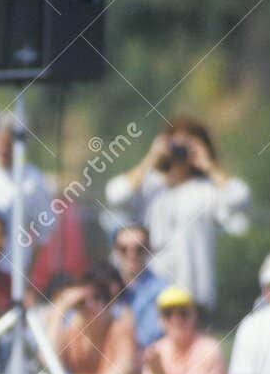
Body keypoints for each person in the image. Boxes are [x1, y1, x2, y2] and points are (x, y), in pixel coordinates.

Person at [106, 116, 248, 313]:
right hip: (149, 293)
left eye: (188, 146)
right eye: (175, 144)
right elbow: (116, 195)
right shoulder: (150, 186)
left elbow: (240, 198)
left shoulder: (206, 191)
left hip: (193, 294)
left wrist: (209, 165)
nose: (180, 152)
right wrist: (151, 158)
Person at [0, 118, 54, 249]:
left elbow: (44, 232)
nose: (2, 149)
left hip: (13, 264)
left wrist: (27, 267)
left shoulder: (34, 179)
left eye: (8, 144)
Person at [111, 224, 169, 348]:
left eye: (139, 249)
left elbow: (150, 338)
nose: (132, 255)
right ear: (115, 250)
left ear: (149, 249)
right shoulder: (102, 286)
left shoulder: (164, 291)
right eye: (123, 249)